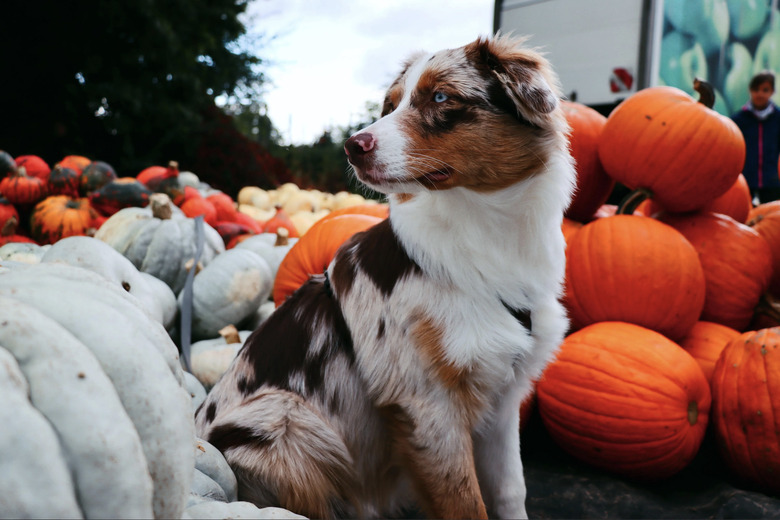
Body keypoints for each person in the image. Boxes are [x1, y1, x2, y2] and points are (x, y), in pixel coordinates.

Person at [731, 70, 780, 204]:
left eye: (765, 90)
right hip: (746, 177)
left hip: (772, 178)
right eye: (756, 89)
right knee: (743, 211)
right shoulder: (739, 119)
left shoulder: (778, 118)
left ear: (772, 92)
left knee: (772, 213)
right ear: (750, 90)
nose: (760, 94)